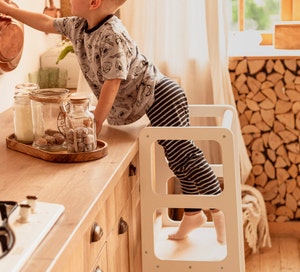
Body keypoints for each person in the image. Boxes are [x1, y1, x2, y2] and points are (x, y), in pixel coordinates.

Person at [0, 0, 226, 244]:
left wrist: (95, 122)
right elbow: (45, 22)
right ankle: (193, 214)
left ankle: (218, 211)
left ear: (94, 2)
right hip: (151, 99)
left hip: (161, 95)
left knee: (185, 155)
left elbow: (112, 83)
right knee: (177, 157)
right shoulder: (78, 25)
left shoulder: (112, 35)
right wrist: (8, 9)